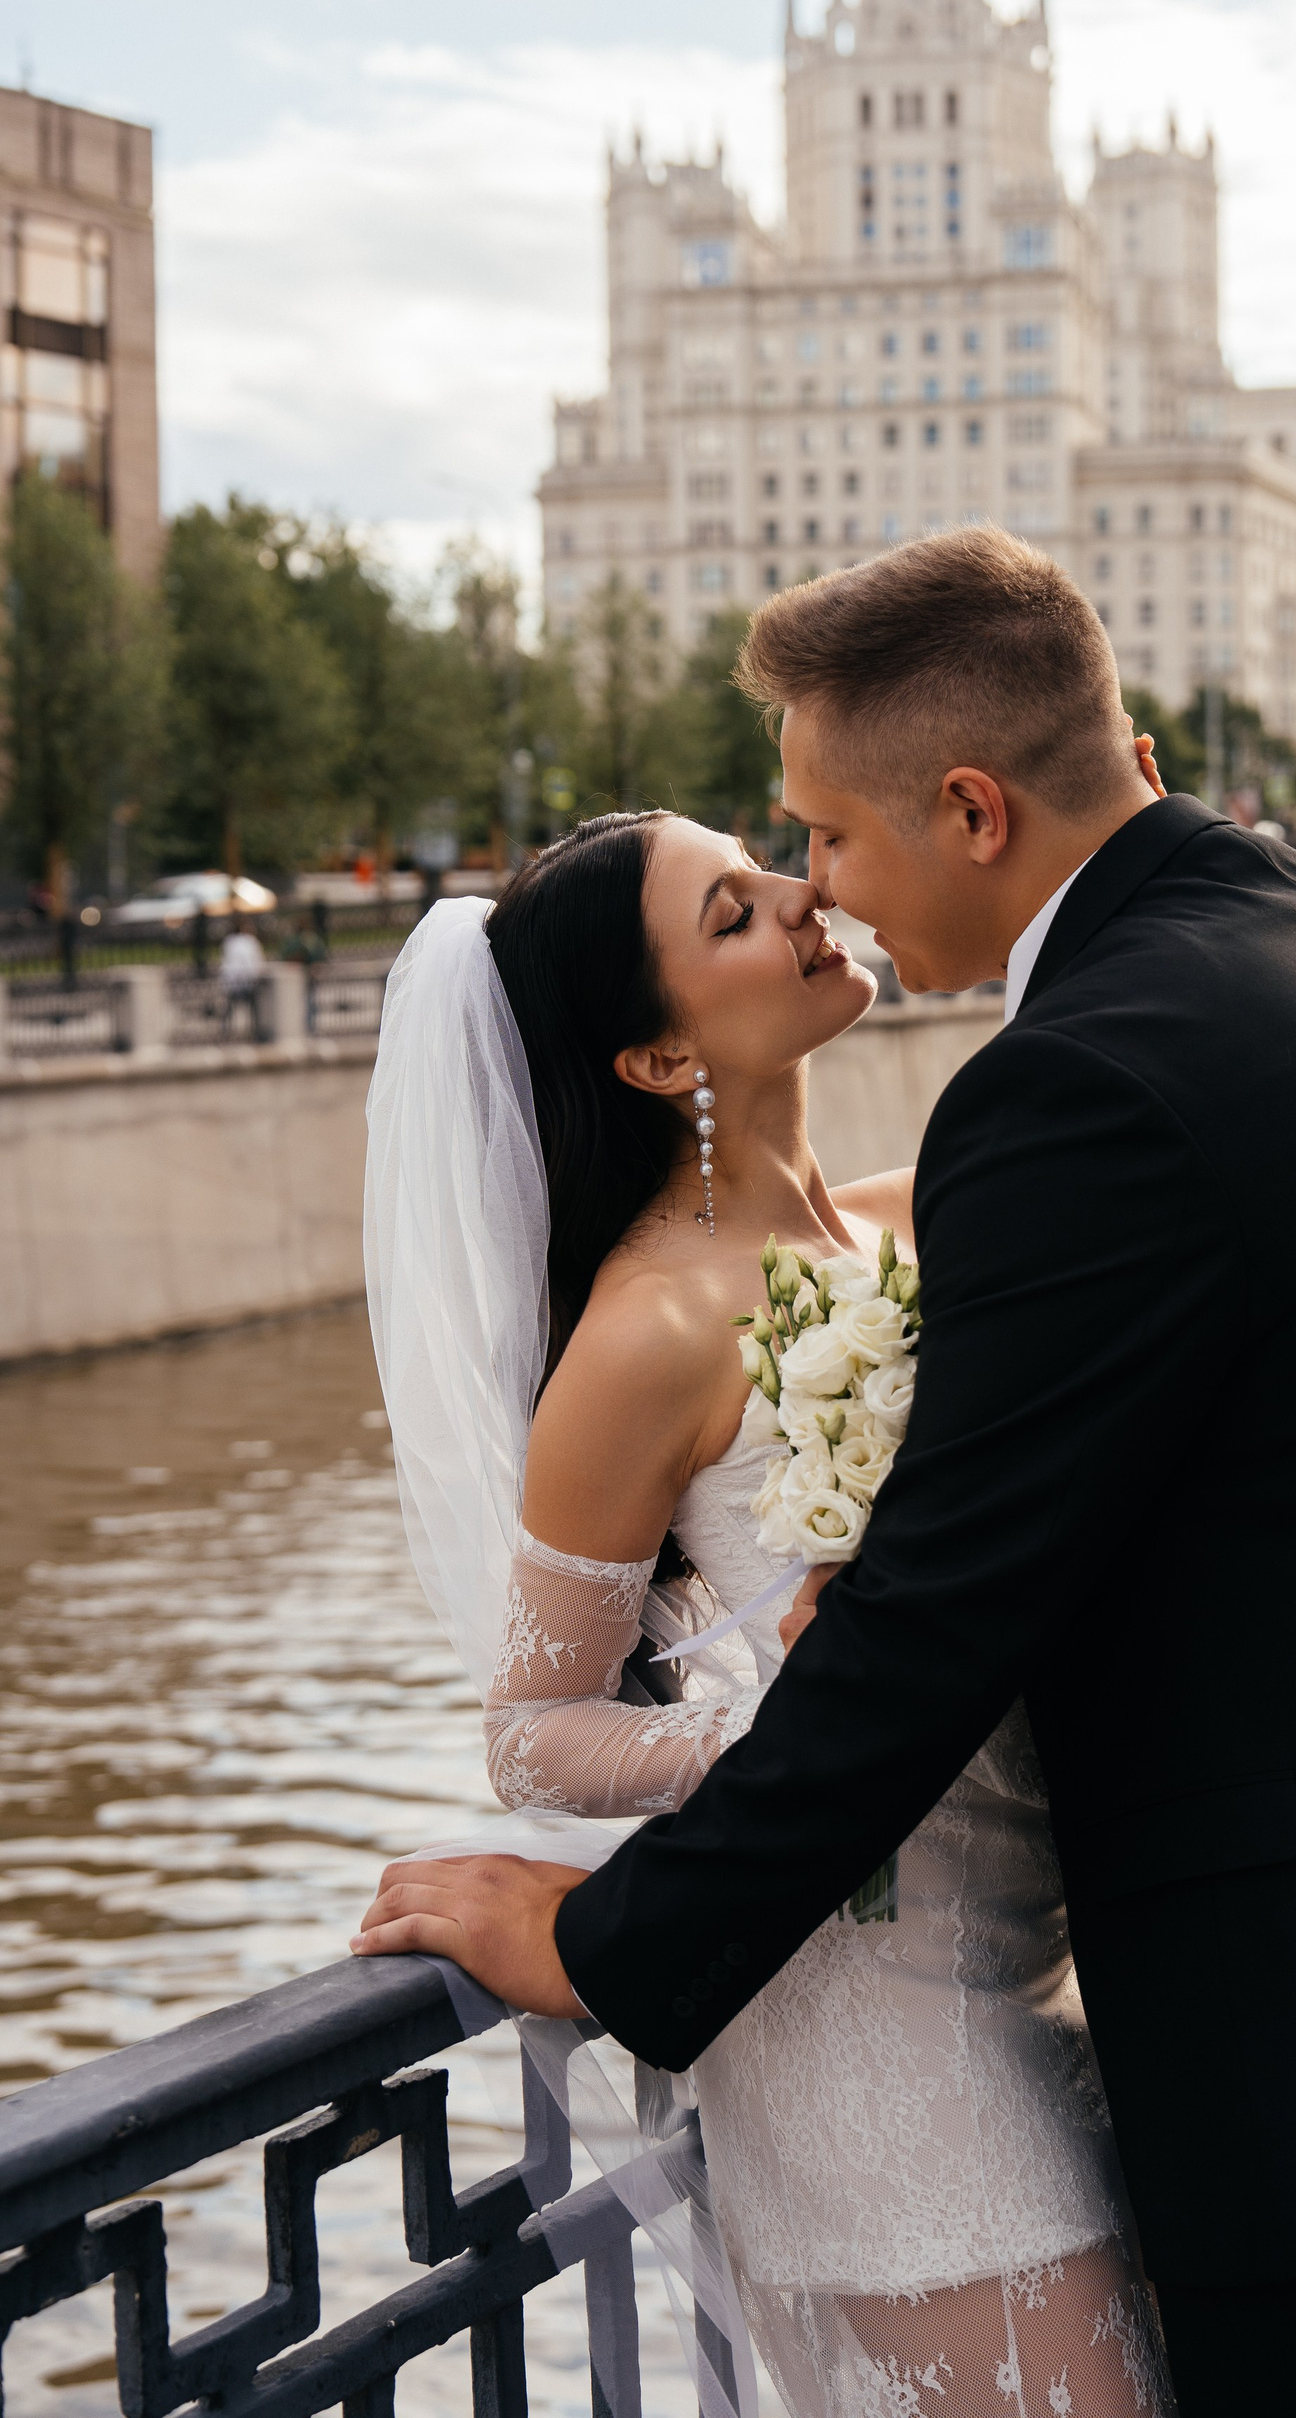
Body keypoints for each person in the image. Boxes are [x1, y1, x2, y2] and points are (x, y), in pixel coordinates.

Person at [359, 527, 1296, 2418]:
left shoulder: (1082, 1083)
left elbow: (938, 1619)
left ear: (970, 809)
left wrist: (606, 1946)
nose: (817, 887)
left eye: (826, 836)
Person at [360, 822, 1172, 2418]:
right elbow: (533, 1732)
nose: (807, 894)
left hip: (1056, 1957)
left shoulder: (912, 1221)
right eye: (736, 912)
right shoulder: (649, 1332)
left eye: (767, 866)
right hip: (870, 2036)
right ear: (661, 1057)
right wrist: (777, 1718)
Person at [219, 916, 267, 1039]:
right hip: (247, 978)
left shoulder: (229, 941)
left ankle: (226, 1029)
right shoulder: (250, 941)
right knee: (252, 1006)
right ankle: (255, 1029)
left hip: (232, 978)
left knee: (231, 1006)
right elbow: (257, 960)